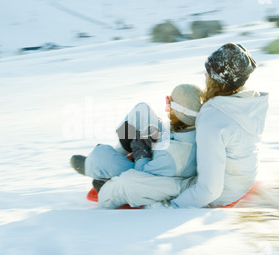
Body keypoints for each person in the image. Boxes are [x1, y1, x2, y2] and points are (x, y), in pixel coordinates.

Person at [96, 43, 269, 209]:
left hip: (211, 189)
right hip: (235, 177)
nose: (205, 76)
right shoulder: (245, 103)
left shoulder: (214, 120)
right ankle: (119, 155)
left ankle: (109, 183)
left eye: (208, 72)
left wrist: (172, 208)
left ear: (220, 79)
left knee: (130, 181)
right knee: (141, 112)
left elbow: (209, 189)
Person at [70, 84, 203, 191]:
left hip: (152, 172)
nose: (167, 109)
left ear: (181, 111)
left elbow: (142, 176)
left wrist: (141, 151)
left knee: (102, 156)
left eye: (169, 104)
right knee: (141, 111)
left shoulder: (173, 156)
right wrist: (158, 136)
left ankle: (105, 173)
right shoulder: (191, 125)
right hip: (167, 148)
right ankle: (118, 154)